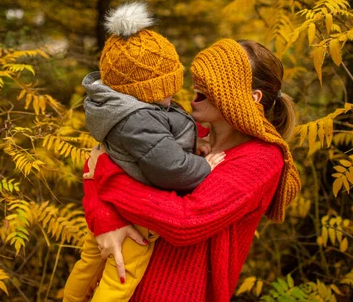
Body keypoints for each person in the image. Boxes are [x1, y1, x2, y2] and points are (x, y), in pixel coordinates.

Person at [82, 38, 301, 301]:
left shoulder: (261, 160)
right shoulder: (189, 132)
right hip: (115, 283)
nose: (197, 81)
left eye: (213, 78)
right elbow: (98, 160)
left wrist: (109, 180)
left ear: (252, 98)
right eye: (200, 73)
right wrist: (106, 220)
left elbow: (186, 222)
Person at [63, 2, 222, 302]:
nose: (173, 93)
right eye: (166, 87)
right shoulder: (138, 121)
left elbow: (161, 144)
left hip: (114, 207)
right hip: (135, 220)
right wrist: (206, 168)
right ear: (141, 91)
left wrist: (194, 144)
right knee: (121, 279)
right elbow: (171, 167)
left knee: (88, 264)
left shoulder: (131, 111)